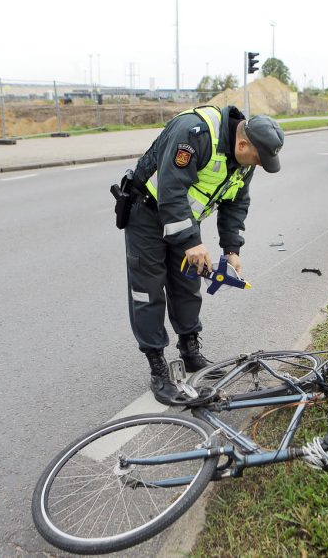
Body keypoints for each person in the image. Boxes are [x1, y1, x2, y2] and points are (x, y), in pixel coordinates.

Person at [119, 105, 284, 405]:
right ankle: (158, 367)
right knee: (149, 290)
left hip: (182, 222)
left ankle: (190, 351)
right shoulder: (193, 133)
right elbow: (170, 190)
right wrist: (192, 242)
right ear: (243, 143)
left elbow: (236, 202)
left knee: (186, 284)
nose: (258, 166)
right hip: (147, 213)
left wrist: (231, 249)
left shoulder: (243, 160)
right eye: (259, 159)